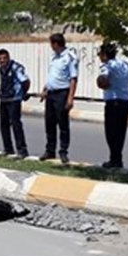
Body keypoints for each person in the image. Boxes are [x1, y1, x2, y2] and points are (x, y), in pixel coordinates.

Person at [40, 33, 79, 164]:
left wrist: (70, 98)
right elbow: (52, 75)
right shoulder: (53, 58)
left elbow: (73, 79)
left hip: (62, 93)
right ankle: (50, 150)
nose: (51, 46)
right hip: (51, 93)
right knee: (49, 123)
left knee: (62, 123)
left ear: (56, 44)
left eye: (51, 43)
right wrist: (45, 89)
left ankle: (63, 151)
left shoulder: (69, 57)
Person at [96, 43, 128, 169]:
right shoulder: (125, 65)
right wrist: (126, 93)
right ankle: (117, 158)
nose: (99, 57)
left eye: (100, 54)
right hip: (125, 101)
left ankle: (115, 159)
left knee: (111, 132)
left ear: (105, 55)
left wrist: (102, 83)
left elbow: (103, 80)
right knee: (121, 132)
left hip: (113, 102)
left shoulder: (107, 66)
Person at [0, 49, 30, 158]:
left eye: (4, 58)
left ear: (8, 57)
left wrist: (23, 93)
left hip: (14, 100)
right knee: (4, 125)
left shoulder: (15, 67)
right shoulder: (1, 69)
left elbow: (25, 81)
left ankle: (22, 151)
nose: (2, 61)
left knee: (16, 125)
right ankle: (8, 149)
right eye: (0, 59)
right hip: (4, 99)